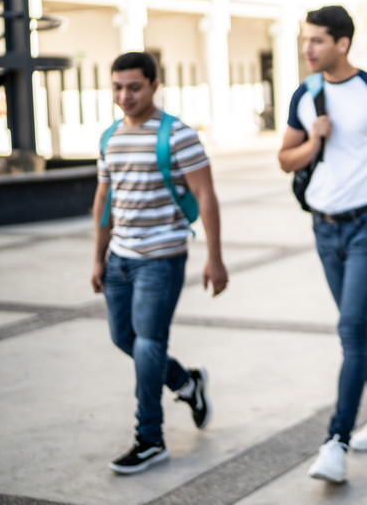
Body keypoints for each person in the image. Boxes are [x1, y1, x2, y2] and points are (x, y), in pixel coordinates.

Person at [277, 5, 367, 483]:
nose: (306, 48)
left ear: (342, 43)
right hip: (323, 227)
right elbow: (285, 160)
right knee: (354, 326)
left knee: (351, 325)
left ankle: (336, 440)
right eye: (305, 39)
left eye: (316, 40)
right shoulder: (306, 93)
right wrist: (313, 142)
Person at [91, 51, 228, 475]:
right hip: (120, 258)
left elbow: (205, 195)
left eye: (134, 86)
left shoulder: (178, 135)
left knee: (149, 342)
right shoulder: (111, 135)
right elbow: (104, 198)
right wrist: (98, 256)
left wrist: (215, 258)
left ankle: (149, 438)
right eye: (117, 87)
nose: (124, 95)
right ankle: (186, 382)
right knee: (123, 338)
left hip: (162, 257)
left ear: (154, 85)